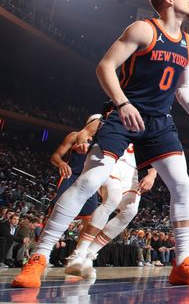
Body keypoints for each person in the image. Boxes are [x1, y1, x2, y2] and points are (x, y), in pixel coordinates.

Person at [12, 0, 189, 288]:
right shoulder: (143, 29)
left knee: (182, 184)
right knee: (89, 181)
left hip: (160, 121)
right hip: (124, 115)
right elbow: (105, 66)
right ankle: (39, 258)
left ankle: (182, 263)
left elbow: (183, 88)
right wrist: (122, 103)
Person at [65, 113, 158, 278]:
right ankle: (78, 253)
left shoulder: (144, 124)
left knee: (130, 211)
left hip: (131, 171)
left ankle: (89, 255)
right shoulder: (107, 115)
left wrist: (151, 175)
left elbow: (153, 156)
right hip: (110, 161)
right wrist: (82, 142)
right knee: (113, 199)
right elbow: (86, 131)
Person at [46, 119, 101, 228]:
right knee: (56, 210)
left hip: (89, 180)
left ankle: (82, 245)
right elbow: (55, 156)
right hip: (71, 176)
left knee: (90, 218)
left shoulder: (103, 142)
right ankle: (43, 237)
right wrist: (61, 163)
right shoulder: (74, 136)